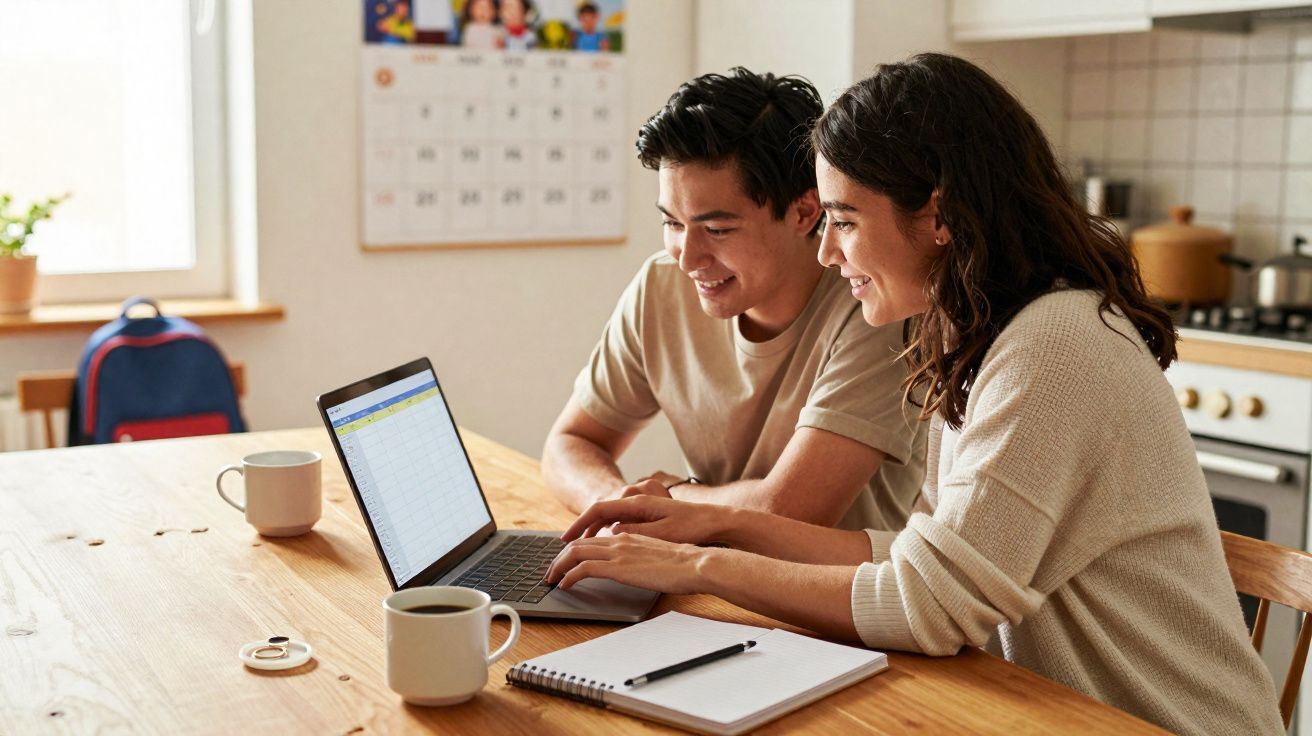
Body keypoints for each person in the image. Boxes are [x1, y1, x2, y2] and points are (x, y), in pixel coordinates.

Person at [545, 53, 1283, 735]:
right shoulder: (982, 334)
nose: (829, 252)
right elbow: (917, 556)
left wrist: (699, 564)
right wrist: (706, 527)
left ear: (937, 216)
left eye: (843, 220)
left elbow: (929, 605)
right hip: (1045, 711)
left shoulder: (1055, 345)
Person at [542, 68, 927, 533]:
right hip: (704, 578)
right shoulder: (661, 287)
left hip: (824, 597)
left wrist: (668, 498)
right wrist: (613, 503)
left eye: (717, 229)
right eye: (672, 223)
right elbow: (570, 442)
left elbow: (790, 511)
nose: (688, 257)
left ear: (805, 212)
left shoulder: (875, 305)